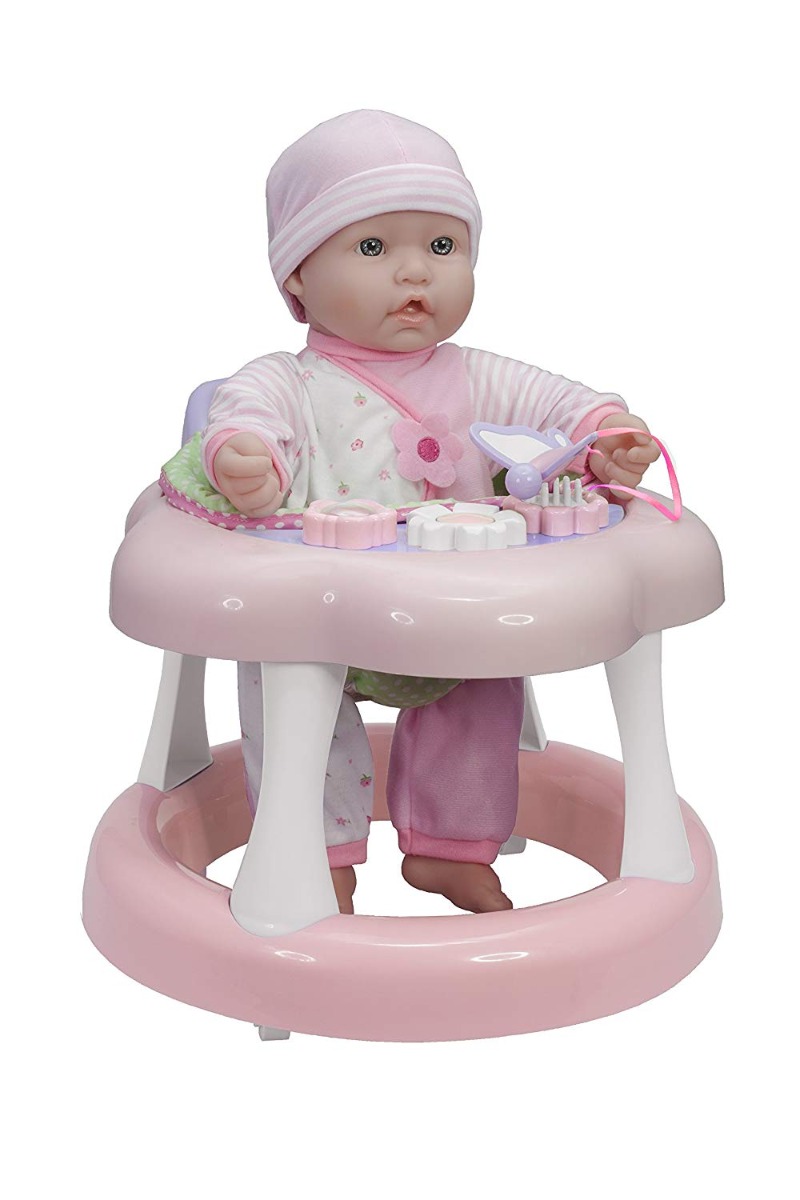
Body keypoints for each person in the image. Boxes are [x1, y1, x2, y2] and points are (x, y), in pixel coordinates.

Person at [173, 110, 659, 914]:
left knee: (484, 689)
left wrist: (607, 435)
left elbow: (562, 404)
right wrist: (246, 460)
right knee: (288, 691)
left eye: (442, 246)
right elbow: (246, 416)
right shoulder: (286, 381)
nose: (415, 274)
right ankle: (313, 852)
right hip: (317, 618)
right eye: (373, 247)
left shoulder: (478, 376)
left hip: (453, 615)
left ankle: (449, 848)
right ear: (297, 279)